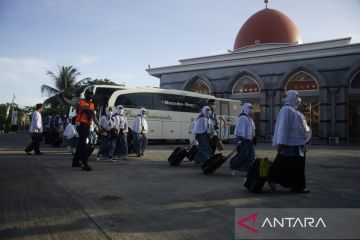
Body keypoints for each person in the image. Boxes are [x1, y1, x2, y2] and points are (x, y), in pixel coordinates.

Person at [270, 90, 312, 193]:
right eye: (296, 97)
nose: (298, 100)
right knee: (286, 166)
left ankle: (297, 187)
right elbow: (283, 127)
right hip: (290, 144)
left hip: (298, 145)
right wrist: (281, 142)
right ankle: (272, 178)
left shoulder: (294, 111)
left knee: (296, 167)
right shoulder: (287, 110)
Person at [61, 89, 97, 171]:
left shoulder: (92, 105)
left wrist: (99, 126)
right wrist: (63, 98)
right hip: (81, 125)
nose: (90, 95)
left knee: (81, 145)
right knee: (83, 145)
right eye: (88, 94)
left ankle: (75, 162)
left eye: (91, 94)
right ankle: (85, 164)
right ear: (85, 94)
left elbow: (94, 117)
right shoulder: (80, 102)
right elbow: (71, 103)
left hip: (87, 125)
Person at [229, 103, 256, 176]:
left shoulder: (249, 118)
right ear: (246, 108)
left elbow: (252, 129)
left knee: (251, 156)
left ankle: (248, 170)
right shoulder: (243, 117)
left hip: (249, 140)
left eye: (252, 108)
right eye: (250, 108)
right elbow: (240, 129)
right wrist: (240, 140)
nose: (252, 109)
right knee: (243, 155)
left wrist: (253, 138)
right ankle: (232, 165)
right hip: (244, 140)